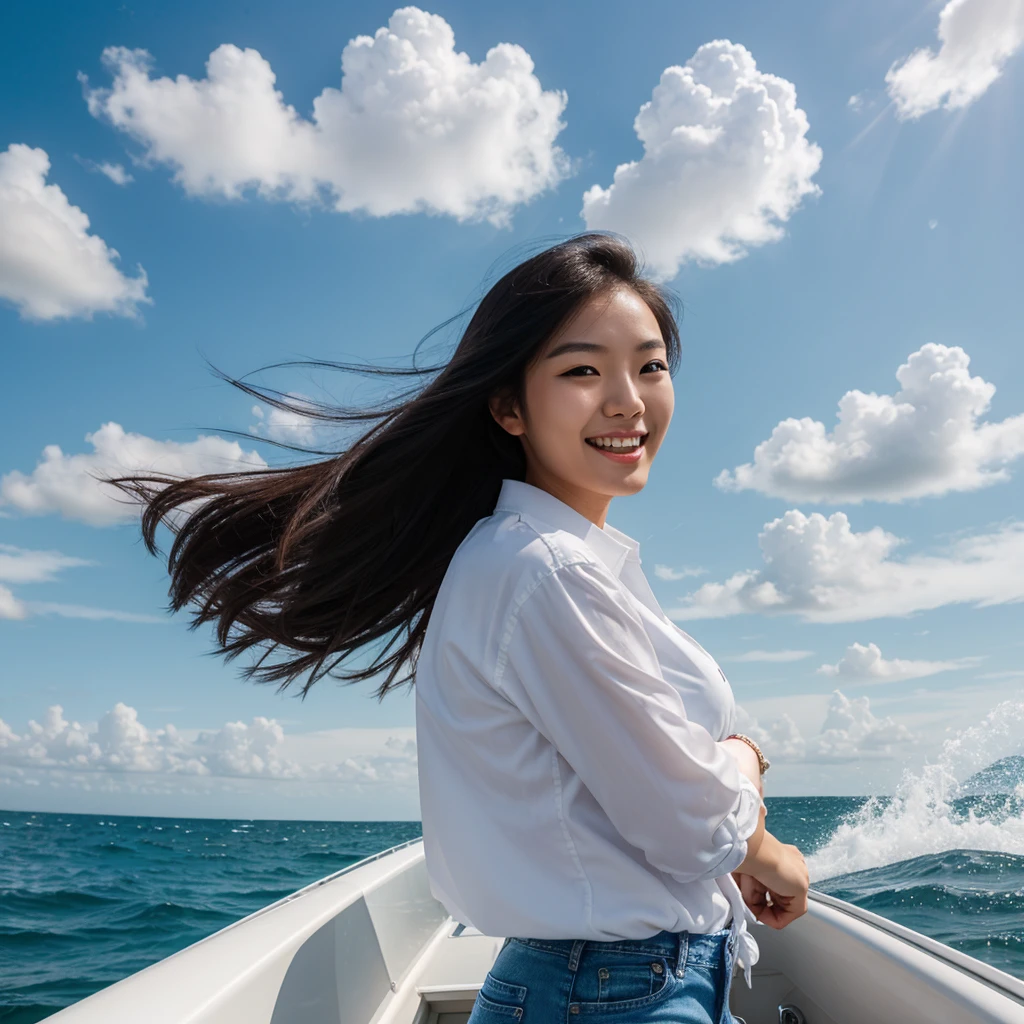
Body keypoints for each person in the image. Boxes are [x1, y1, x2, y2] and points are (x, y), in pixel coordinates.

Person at [105, 231, 808, 1024]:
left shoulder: (533, 562)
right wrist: (757, 803)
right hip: (615, 995)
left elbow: (645, 804)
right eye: (583, 370)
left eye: (649, 366)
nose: (628, 399)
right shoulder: (547, 573)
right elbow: (689, 819)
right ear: (508, 406)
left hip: (611, 985)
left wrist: (724, 823)